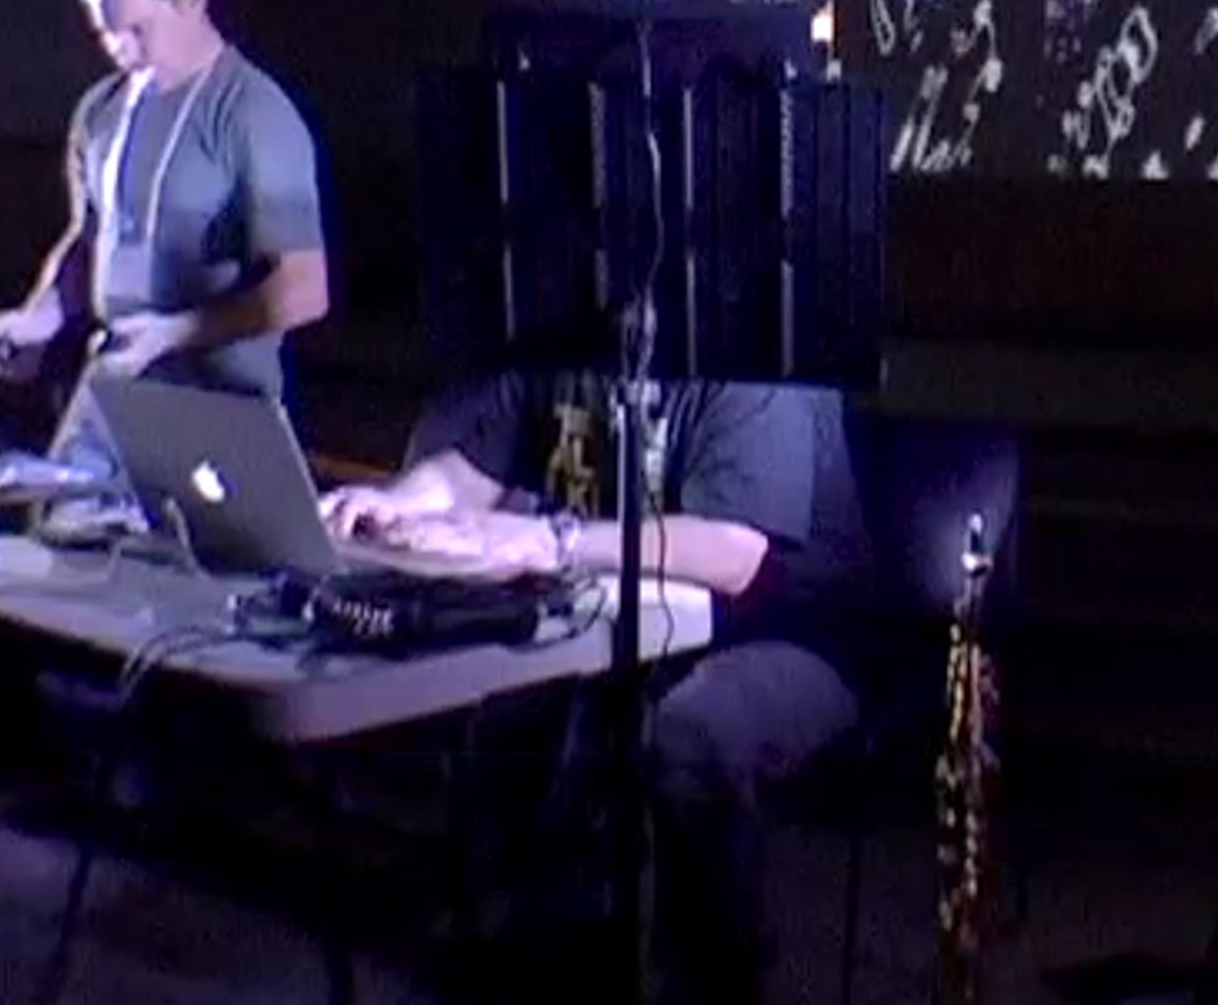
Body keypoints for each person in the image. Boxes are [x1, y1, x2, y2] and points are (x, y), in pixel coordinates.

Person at [323, 369, 873, 1005]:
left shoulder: (750, 370)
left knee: (693, 732)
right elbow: (471, 469)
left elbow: (733, 553)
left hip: (794, 632)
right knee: (509, 704)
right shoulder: (570, 335)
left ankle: (710, 979)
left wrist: (552, 540)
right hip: (632, 621)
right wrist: (398, 504)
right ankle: (527, 951)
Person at [0, 0, 333, 465]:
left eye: (139, 31)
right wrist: (40, 317)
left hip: (218, 406)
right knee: (52, 509)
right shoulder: (101, 110)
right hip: (114, 389)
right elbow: (88, 239)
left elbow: (306, 289)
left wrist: (174, 333)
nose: (122, 50)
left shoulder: (252, 112)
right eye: (107, 33)